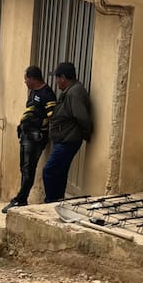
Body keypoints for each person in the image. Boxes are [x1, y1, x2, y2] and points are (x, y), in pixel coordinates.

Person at [3, 65, 57, 213]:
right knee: (24, 168)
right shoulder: (33, 92)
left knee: (29, 168)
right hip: (26, 135)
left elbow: (52, 117)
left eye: (26, 79)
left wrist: (43, 132)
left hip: (35, 138)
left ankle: (20, 199)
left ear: (33, 78)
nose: (25, 82)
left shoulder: (47, 94)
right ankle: (22, 199)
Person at [42, 61, 93, 203]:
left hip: (68, 141)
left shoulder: (74, 92)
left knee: (49, 171)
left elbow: (82, 117)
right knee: (59, 172)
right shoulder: (70, 91)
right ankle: (57, 201)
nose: (56, 82)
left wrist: (86, 133)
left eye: (57, 78)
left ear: (63, 77)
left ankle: (51, 201)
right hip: (64, 139)